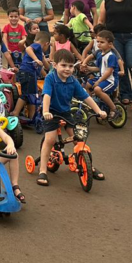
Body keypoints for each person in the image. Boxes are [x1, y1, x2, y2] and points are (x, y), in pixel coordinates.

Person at [36, 49, 107, 186]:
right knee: (50, 139)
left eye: (70, 66)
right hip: (51, 112)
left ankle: (89, 166)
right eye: (63, 65)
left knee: (79, 138)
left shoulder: (72, 81)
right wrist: (45, 111)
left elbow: (86, 97)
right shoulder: (51, 78)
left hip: (66, 112)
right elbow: (47, 96)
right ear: (55, 65)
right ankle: (43, 170)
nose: (67, 69)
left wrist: (98, 111)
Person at [13, 28, 50, 121]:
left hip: (28, 73)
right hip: (28, 73)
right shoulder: (37, 46)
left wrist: (48, 74)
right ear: (47, 44)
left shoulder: (39, 53)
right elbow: (28, 49)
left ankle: (32, 117)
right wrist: (36, 59)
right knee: (26, 94)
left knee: (32, 94)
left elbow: (44, 65)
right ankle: (15, 113)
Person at [82, 29, 120, 117]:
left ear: (110, 44)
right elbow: (99, 69)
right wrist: (88, 68)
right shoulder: (100, 53)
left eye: (102, 42)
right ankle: (93, 103)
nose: (98, 44)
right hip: (102, 78)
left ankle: (114, 109)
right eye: (98, 41)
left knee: (97, 89)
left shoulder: (111, 56)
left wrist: (99, 81)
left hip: (111, 80)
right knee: (86, 85)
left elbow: (109, 71)